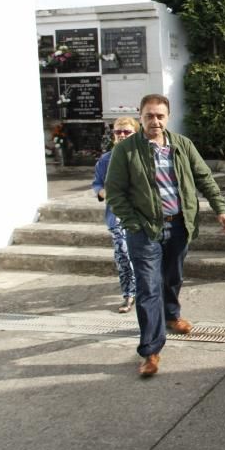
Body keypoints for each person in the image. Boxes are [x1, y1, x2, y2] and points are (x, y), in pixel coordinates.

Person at [105, 94, 225, 377]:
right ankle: (150, 350)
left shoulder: (182, 145)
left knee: (173, 277)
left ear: (168, 117)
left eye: (160, 116)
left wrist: (220, 209)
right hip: (144, 230)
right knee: (148, 287)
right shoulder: (126, 150)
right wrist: (133, 223)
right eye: (149, 116)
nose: (155, 121)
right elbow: (114, 192)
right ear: (141, 117)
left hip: (178, 225)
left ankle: (172, 315)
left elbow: (205, 178)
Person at [92, 116, 140, 313]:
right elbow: (97, 183)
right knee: (123, 254)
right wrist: (102, 192)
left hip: (141, 215)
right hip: (117, 216)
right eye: (118, 132)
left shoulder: (143, 156)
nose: (121, 135)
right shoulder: (105, 160)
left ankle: (145, 290)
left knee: (143, 255)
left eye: (126, 132)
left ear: (135, 133)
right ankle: (129, 294)